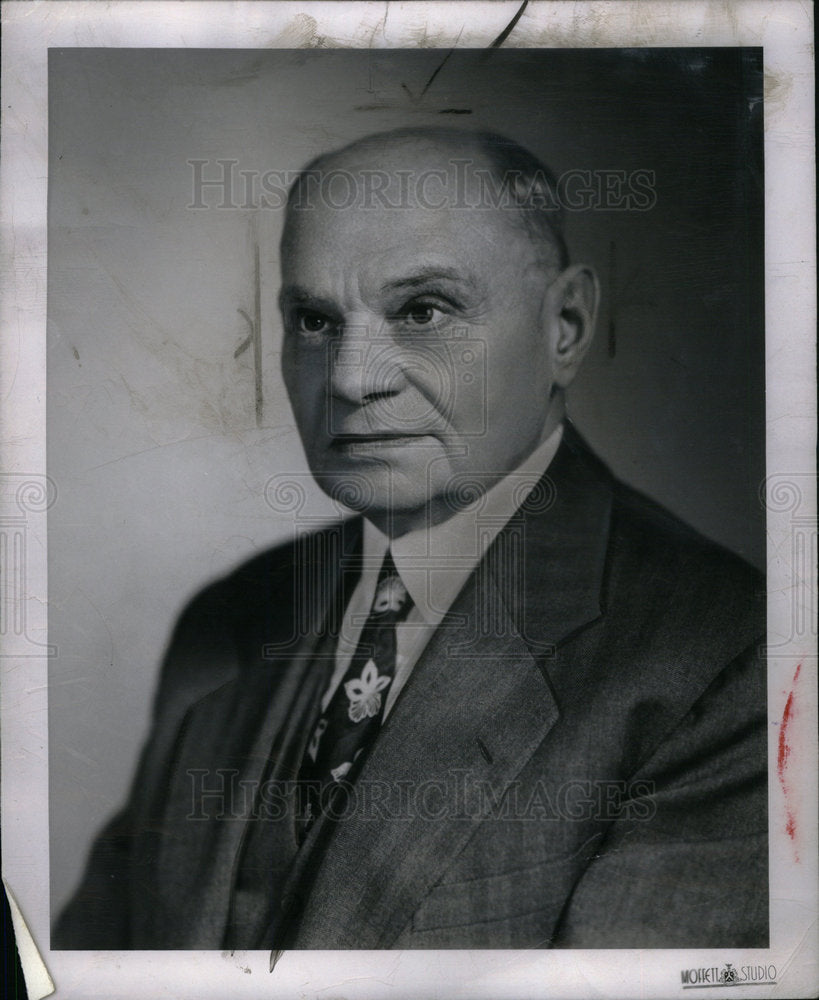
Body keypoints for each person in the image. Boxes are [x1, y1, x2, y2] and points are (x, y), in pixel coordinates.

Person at [54, 127, 767, 951]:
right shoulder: (231, 616)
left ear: (564, 327)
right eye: (315, 321)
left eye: (423, 310)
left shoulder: (726, 660)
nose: (353, 378)